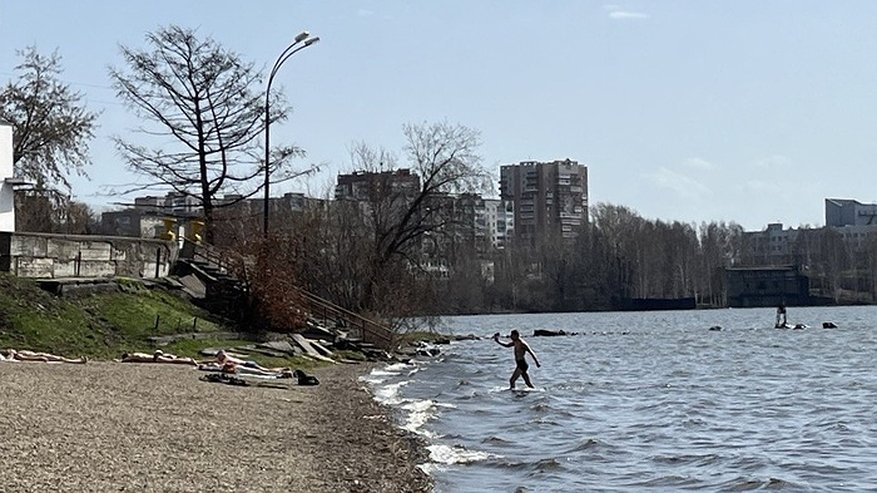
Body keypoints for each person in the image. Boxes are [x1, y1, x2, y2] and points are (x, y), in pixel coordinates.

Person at [2, 349, 86, 364]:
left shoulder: (19, 353)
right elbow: (26, 358)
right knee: (60, 359)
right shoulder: (18, 355)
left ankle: (76, 361)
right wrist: (38, 358)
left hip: (38, 354)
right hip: (39, 355)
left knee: (59, 358)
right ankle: (76, 361)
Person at [120, 350, 197, 365]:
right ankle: (187, 360)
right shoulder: (136, 354)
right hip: (155, 357)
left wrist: (119, 361)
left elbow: (126, 360)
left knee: (173, 361)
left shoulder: (134, 356)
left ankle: (188, 361)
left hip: (155, 359)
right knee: (172, 359)